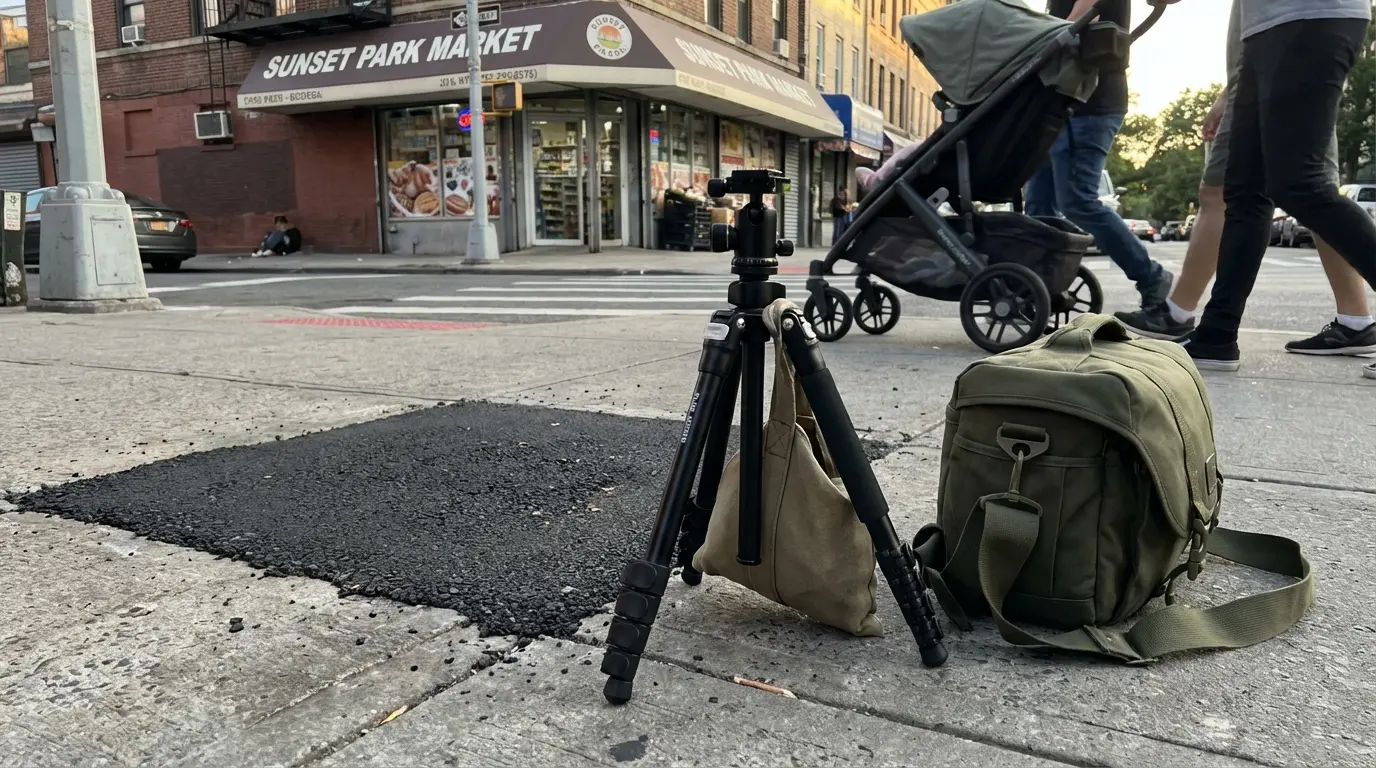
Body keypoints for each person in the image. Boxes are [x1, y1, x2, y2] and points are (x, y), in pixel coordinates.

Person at [1114, 0, 1376, 366]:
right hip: (1264, 30)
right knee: (1244, 192)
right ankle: (1216, 337)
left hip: (1311, 17)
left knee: (1300, 184)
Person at [1023, 0, 1175, 310]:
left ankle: (1152, 278)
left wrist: (1049, 37)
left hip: (1090, 102)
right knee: (1039, 205)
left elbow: (1077, 18)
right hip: (1059, 102)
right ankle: (1037, 287)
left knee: (1079, 201)